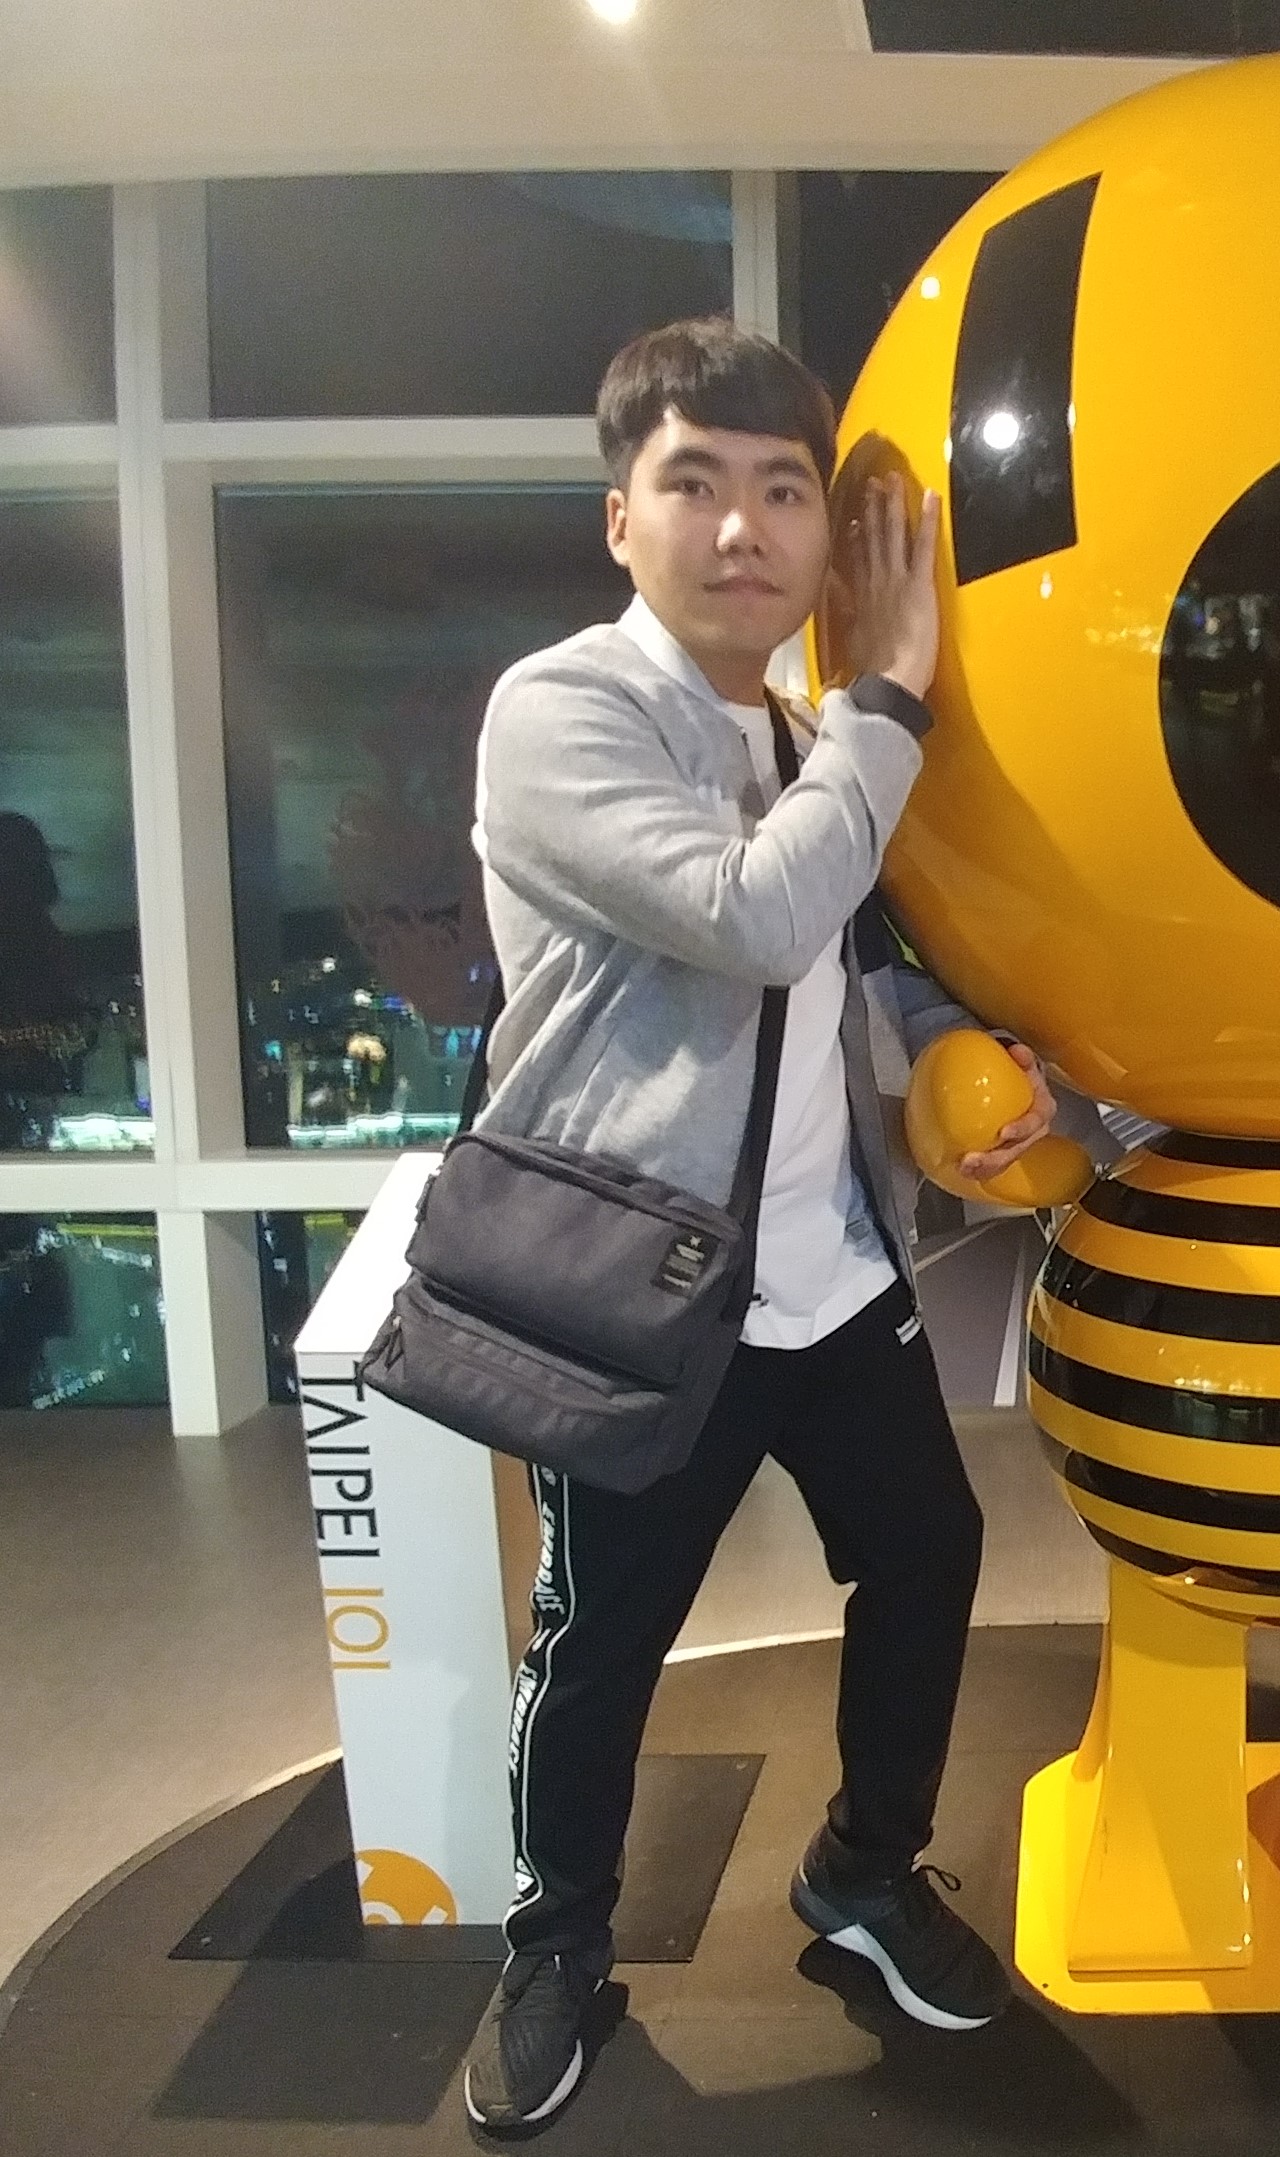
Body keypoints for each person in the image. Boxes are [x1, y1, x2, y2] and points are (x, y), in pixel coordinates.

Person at [459, 316, 1063, 2133]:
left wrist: (954, 1046)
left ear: (822, 529)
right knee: (601, 1641)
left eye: (784, 490)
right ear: (620, 519)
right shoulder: (561, 713)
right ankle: (556, 1940)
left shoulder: (807, 735)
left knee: (929, 1551)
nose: (744, 527)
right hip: (646, 1287)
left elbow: (862, 954)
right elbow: (756, 912)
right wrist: (895, 690)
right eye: (696, 484)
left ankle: (863, 1868)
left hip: (833, 1273)